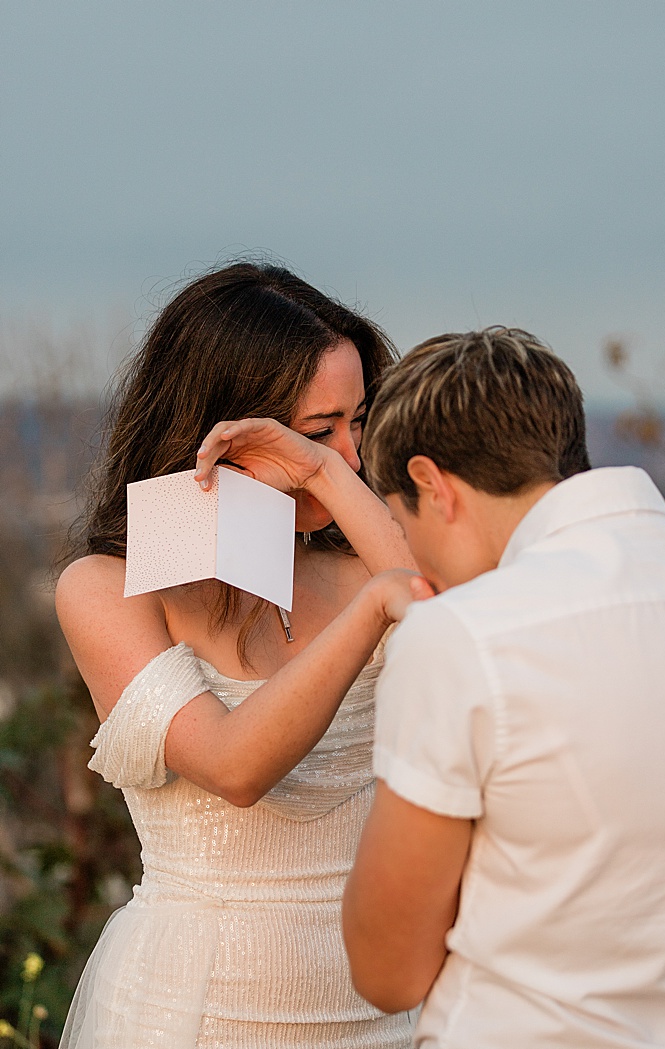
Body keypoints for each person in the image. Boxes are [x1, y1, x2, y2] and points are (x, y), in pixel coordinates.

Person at [55, 262, 428, 1048]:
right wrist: (368, 613)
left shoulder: (370, 565)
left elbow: (432, 602)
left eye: (359, 423)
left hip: (388, 1011)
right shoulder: (109, 589)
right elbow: (232, 766)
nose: (352, 458)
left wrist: (322, 468)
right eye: (318, 430)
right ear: (220, 425)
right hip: (201, 1013)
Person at [340, 328, 665, 1048]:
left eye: (401, 523)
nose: (412, 557)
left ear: (432, 485)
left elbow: (388, 972)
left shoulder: (459, 635)